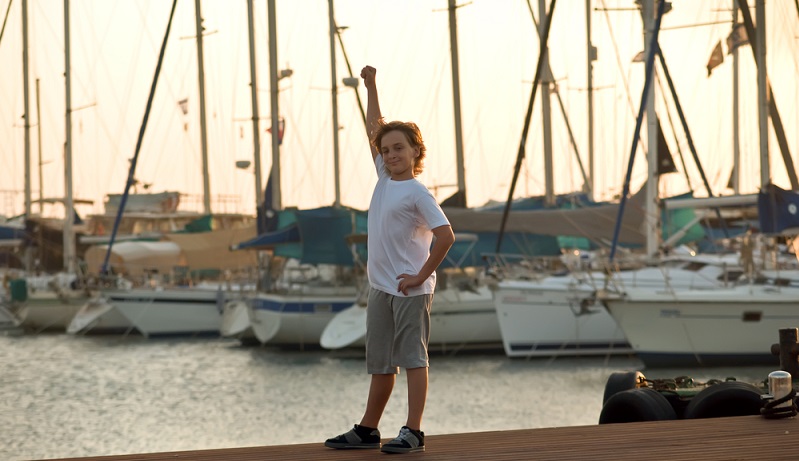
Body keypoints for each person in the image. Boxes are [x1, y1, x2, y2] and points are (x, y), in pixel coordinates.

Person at [324, 65, 455, 454]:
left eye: (399, 148)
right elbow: (373, 125)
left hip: (409, 289)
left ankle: (414, 431)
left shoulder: (417, 193)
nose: (391, 154)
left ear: (416, 151)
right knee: (380, 362)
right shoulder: (384, 178)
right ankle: (368, 429)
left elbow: (446, 236)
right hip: (381, 287)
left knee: (414, 358)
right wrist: (371, 85)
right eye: (386, 150)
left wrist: (419, 276)